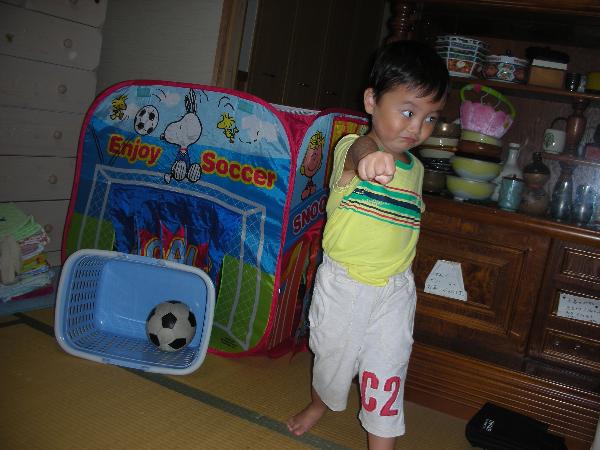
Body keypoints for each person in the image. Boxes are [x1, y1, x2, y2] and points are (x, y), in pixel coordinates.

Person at [287, 40, 449, 450]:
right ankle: (319, 404)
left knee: (387, 371)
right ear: (372, 101)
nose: (417, 128)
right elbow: (357, 151)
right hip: (344, 285)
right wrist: (367, 159)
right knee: (332, 363)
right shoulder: (351, 149)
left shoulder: (417, 169)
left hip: (394, 290)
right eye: (408, 112)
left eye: (430, 118)